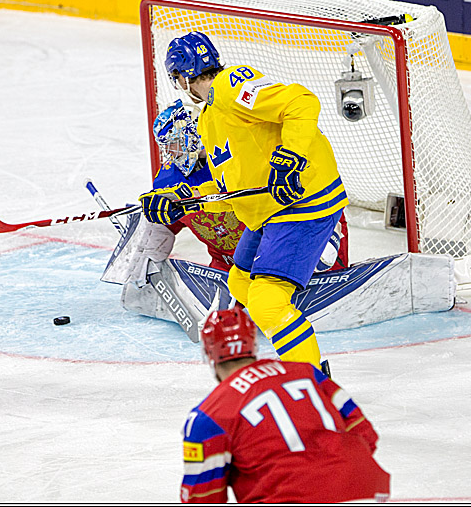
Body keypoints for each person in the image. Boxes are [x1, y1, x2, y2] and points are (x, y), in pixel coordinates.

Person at [140, 31, 348, 372]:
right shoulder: (209, 118)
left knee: (267, 302)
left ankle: (310, 380)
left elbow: (302, 103)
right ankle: (262, 357)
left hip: (302, 203)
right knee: (239, 282)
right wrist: (184, 200)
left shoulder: (231, 86)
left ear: (182, 76)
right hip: (269, 211)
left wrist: (292, 156)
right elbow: (234, 190)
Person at [179, 307, 390, 503]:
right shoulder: (308, 373)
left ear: (208, 354)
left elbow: (203, 496)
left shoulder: (208, 416)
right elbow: (365, 432)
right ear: (253, 344)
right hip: (366, 491)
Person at [150, 98, 348, 273]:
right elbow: (164, 219)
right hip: (232, 263)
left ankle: (323, 239)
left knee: (315, 259)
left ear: (190, 133)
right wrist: (150, 254)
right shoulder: (169, 179)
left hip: (279, 236)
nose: (170, 152)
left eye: (173, 143)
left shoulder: (238, 153)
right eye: (165, 146)